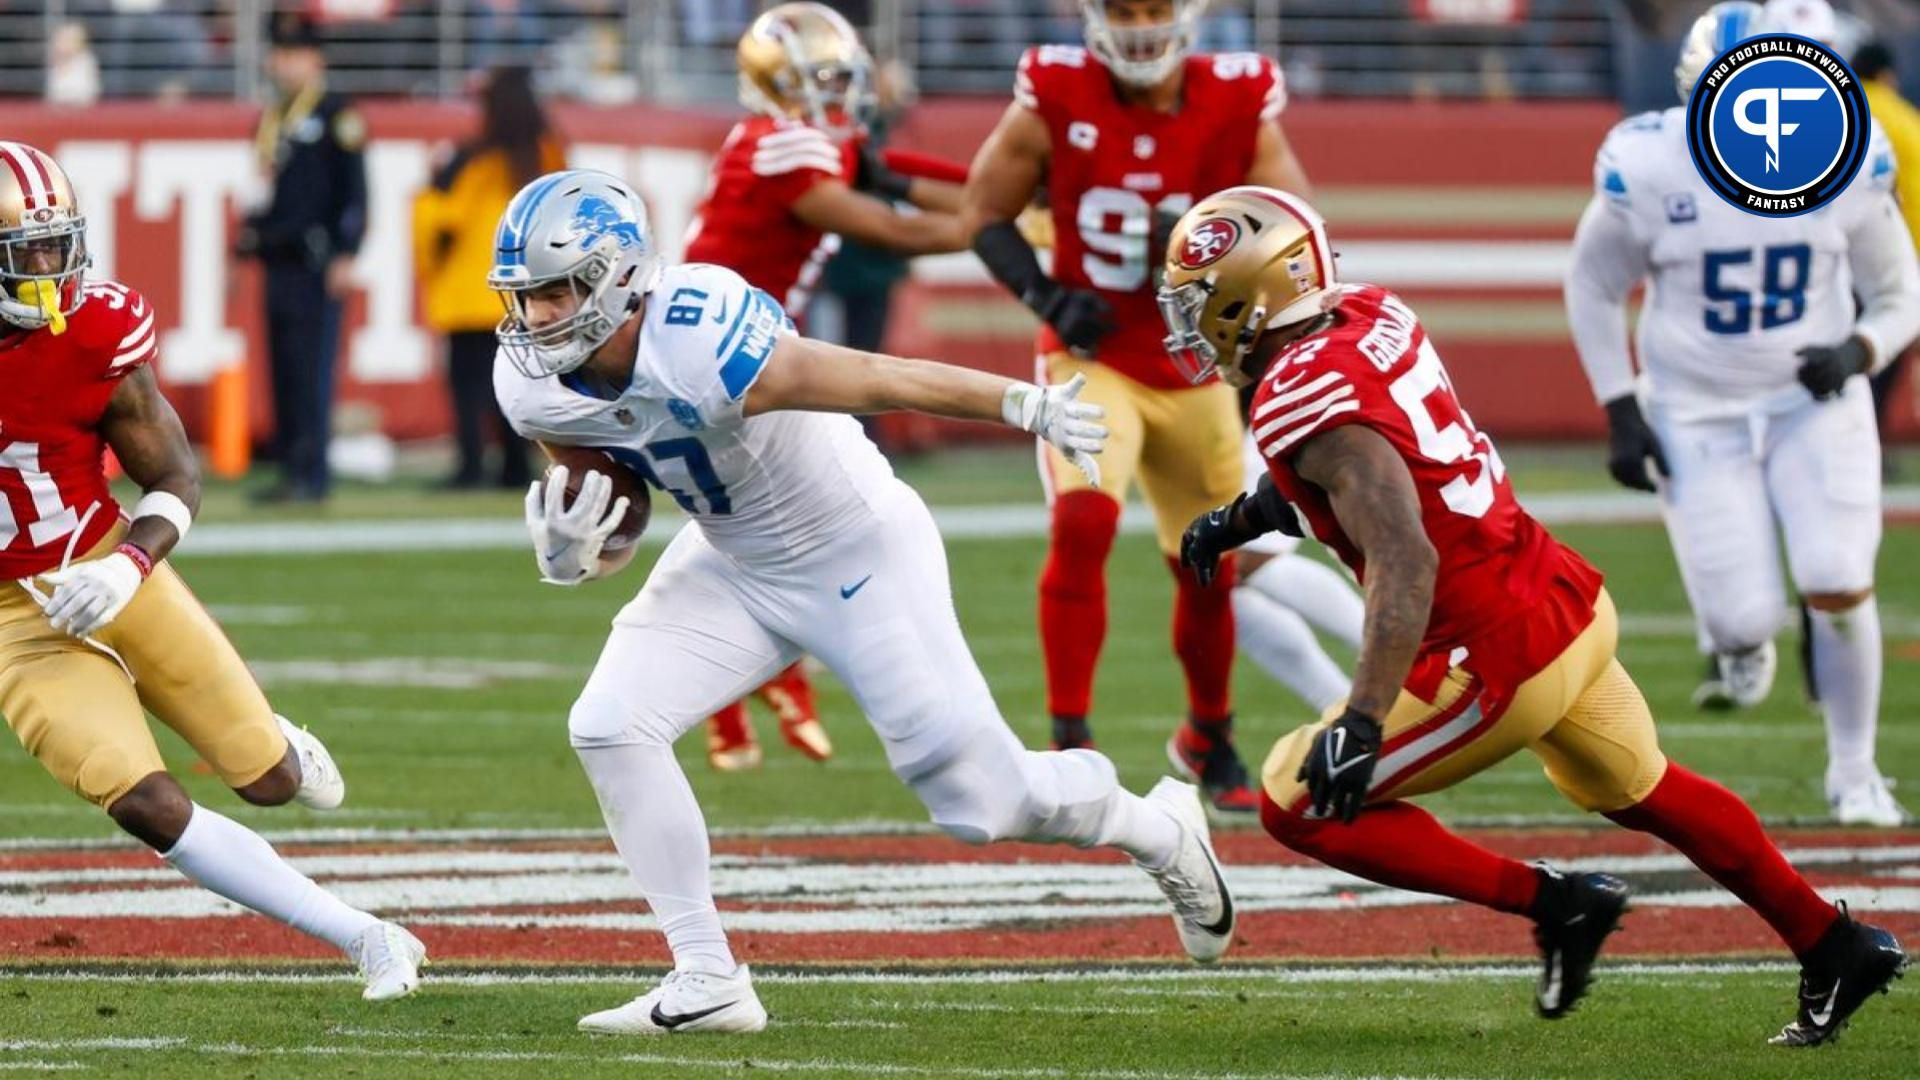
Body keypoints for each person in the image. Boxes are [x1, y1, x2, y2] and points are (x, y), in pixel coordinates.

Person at [488, 169, 1233, 1034]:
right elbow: (617, 497)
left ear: (617, 277)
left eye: (554, 292)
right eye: (524, 296)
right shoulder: (530, 379)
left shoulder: (698, 335)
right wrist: (578, 550)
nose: (536, 318)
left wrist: (1021, 403)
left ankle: (1156, 825)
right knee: (609, 723)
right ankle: (708, 977)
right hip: (732, 562)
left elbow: (877, 376)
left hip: (854, 550)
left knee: (983, 808)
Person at [1167, 185, 1906, 1047]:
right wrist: (1245, 517)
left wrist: (1363, 719)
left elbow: (1403, 550)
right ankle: (1831, 940)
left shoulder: (1300, 396)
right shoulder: (1371, 312)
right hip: (1562, 597)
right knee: (1644, 785)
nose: (1189, 323)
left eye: (1198, 301)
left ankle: (1557, 905)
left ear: (1250, 297)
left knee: (1296, 802)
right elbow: (1374, 467)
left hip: (1490, 651)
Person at [0, 141, 424, 999]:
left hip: (108, 564)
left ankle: (284, 749)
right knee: (143, 801)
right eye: (27, 253)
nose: (50, 270)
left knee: (266, 781)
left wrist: (125, 567)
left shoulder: (95, 329)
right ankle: (371, 937)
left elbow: (177, 477)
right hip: (13, 616)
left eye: (57, 245)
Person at [1564, 2, 1920, 826]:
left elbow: (1900, 293)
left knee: (1837, 578)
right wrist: (1620, 404)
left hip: (1812, 404)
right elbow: (1593, 285)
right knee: (1740, 619)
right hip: (1693, 411)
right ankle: (1742, 641)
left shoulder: (1850, 156)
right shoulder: (1650, 166)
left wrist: (1858, 352)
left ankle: (1855, 771)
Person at [961, 0, 1313, 814]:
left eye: (1156, 7)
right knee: (1082, 525)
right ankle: (1069, 741)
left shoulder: (1238, 94)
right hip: (1094, 360)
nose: (1142, 25)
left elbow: (1293, 232)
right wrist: (1044, 292)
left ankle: (1208, 733)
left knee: (1207, 565)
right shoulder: (1054, 87)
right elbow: (983, 213)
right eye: (1125, 9)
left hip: (1196, 368)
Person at [683, 2, 970, 772]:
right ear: (780, 82)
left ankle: (752, 691)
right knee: (806, 517)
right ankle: (767, 677)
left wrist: (1000, 197)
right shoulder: (783, 145)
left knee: (752, 519)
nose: (841, 93)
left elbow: (898, 177)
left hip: (747, 340)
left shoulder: (791, 139)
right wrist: (999, 226)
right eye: (826, 79)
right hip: (720, 353)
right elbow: (894, 226)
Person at [236, 12, 367, 504]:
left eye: (294, 54)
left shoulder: (336, 114)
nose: (284, 64)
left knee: (312, 367)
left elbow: (355, 191)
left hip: (316, 260)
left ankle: (314, 472)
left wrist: (347, 251)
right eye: (279, 54)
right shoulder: (272, 117)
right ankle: (291, 464)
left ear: (315, 59)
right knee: (283, 366)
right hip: (276, 258)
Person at [414, 65, 562, 490]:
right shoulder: (547, 155)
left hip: (468, 291)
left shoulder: (472, 157)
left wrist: (430, 256)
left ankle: (471, 467)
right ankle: (516, 467)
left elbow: (443, 219)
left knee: (467, 388)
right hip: (523, 293)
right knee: (516, 387)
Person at [1855, 39, 1920, 477]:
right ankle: (1865, 443)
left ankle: (1860, 443)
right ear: (1887, 74)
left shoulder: (1840, 109)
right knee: (1881, 351)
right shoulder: (1903, 117)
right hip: (1902, 250)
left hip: (1847, 255)